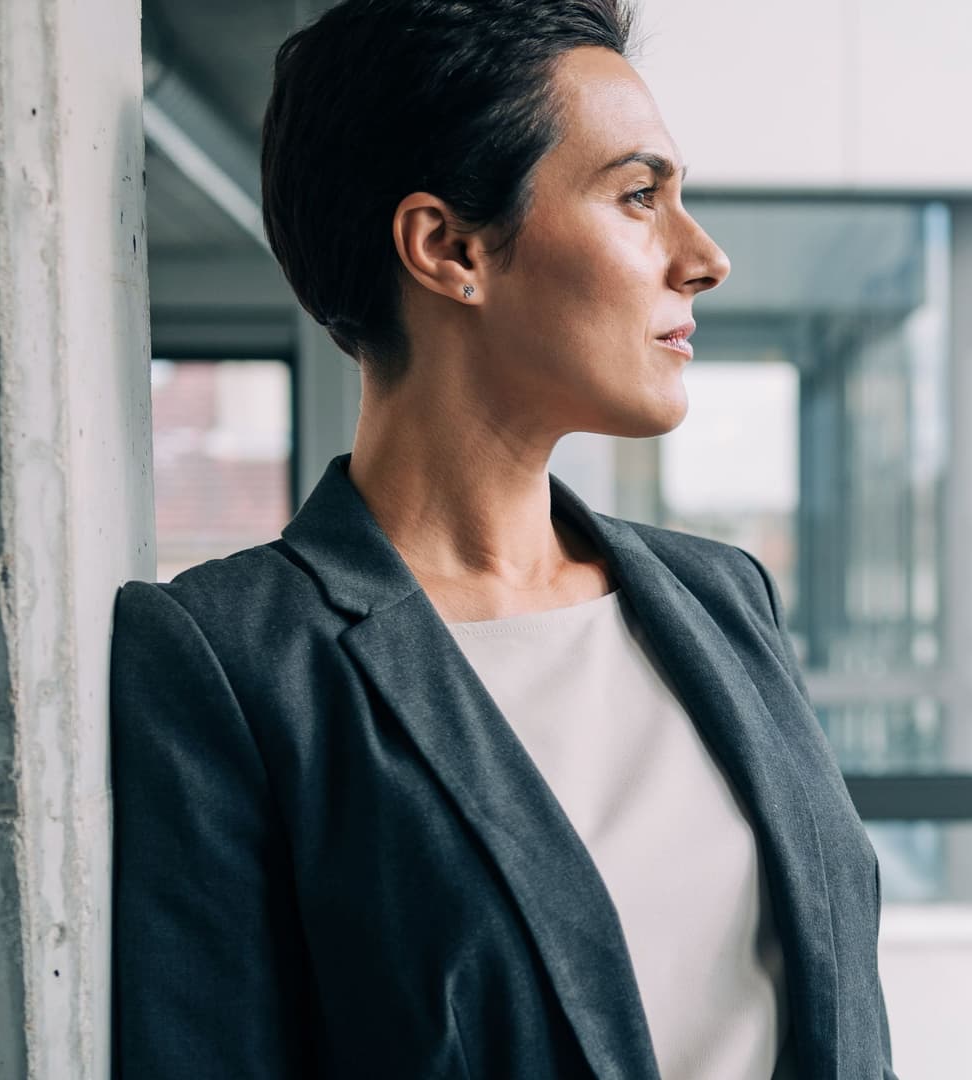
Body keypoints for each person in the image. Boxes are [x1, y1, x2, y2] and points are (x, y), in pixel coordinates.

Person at [109, 1, 895, 1076]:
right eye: (638, 197)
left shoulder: (722, 597)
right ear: (450, 247)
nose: (703, 257)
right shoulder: (235, 666)